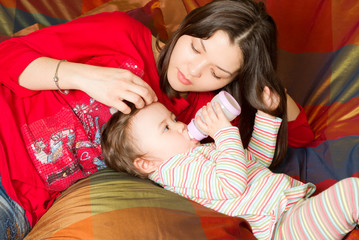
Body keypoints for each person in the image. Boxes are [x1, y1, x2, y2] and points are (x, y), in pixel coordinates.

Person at [0, 0, 314, 237]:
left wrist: (261, 82)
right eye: (195, 48)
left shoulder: (204, 117)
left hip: (18, 203)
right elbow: (7, 57)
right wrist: (86, 76)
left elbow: (300, 136)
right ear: (186, 28)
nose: (193, 71)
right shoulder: (122, 35)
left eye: (216, 72)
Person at [101, 100, 359, 240]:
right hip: (280, 229)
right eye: (166, 128)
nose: (180, 126)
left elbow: (253, 163)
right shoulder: (175, 172)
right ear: (147, 163)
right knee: (352, 193)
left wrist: (267, 117)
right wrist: (224, 133)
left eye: (174, 118)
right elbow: (232, 184)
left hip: (291, 209)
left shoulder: (198, 151)